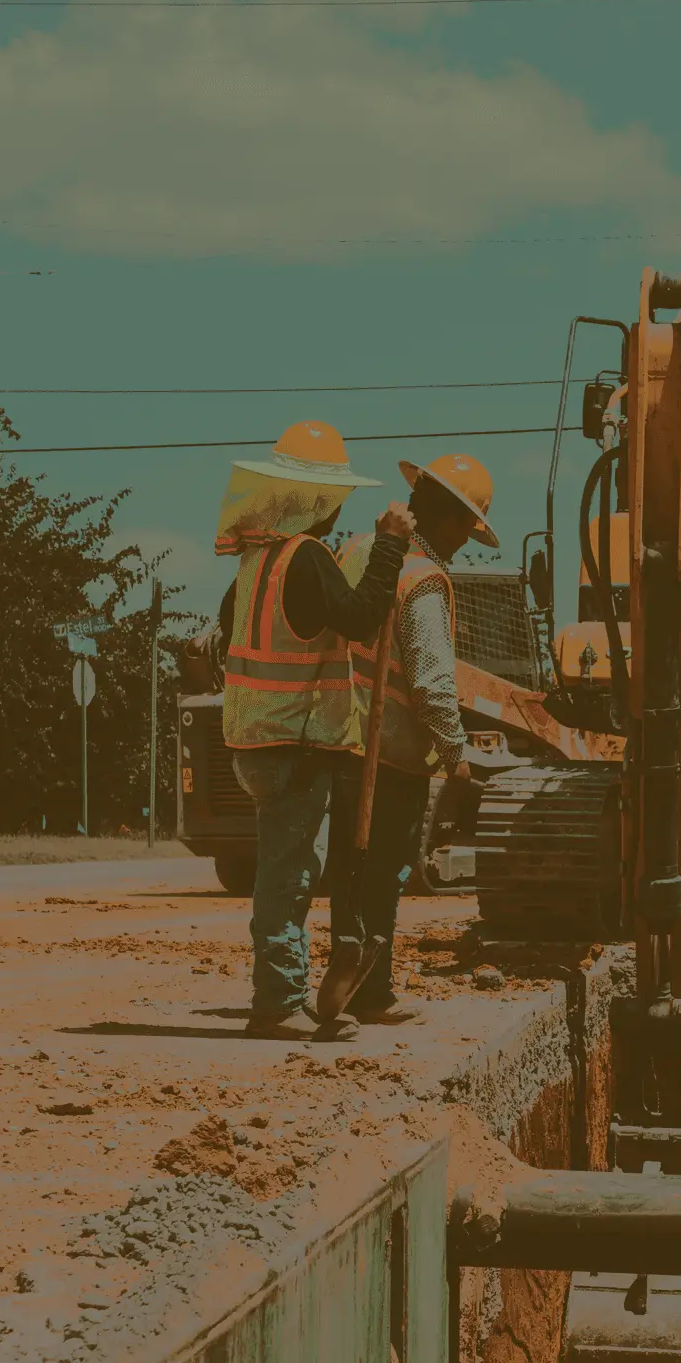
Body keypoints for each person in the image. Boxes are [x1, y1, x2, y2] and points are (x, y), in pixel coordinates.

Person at [215, 419, 414, 1040]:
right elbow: (359, 617)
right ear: (317, 500)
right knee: (289, 874)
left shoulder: (256, 563)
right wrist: (388, 548)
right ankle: (277, 1003)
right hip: (293, 742)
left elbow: (228, 631)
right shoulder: (307, 558)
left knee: (290, 867)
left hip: (257, 738)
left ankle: (285, 994)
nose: (337, 512)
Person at [330, 452, 498, 1023]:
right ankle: (371, 993)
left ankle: (347, 979)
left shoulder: (357, 549)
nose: (464, 544)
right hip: (391, 753)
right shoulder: (423, 579)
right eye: (466, 530)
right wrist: (455, 756)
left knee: (349, 870)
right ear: (449, 520)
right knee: (383, 872)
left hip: (338, 737)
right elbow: (430, 681)